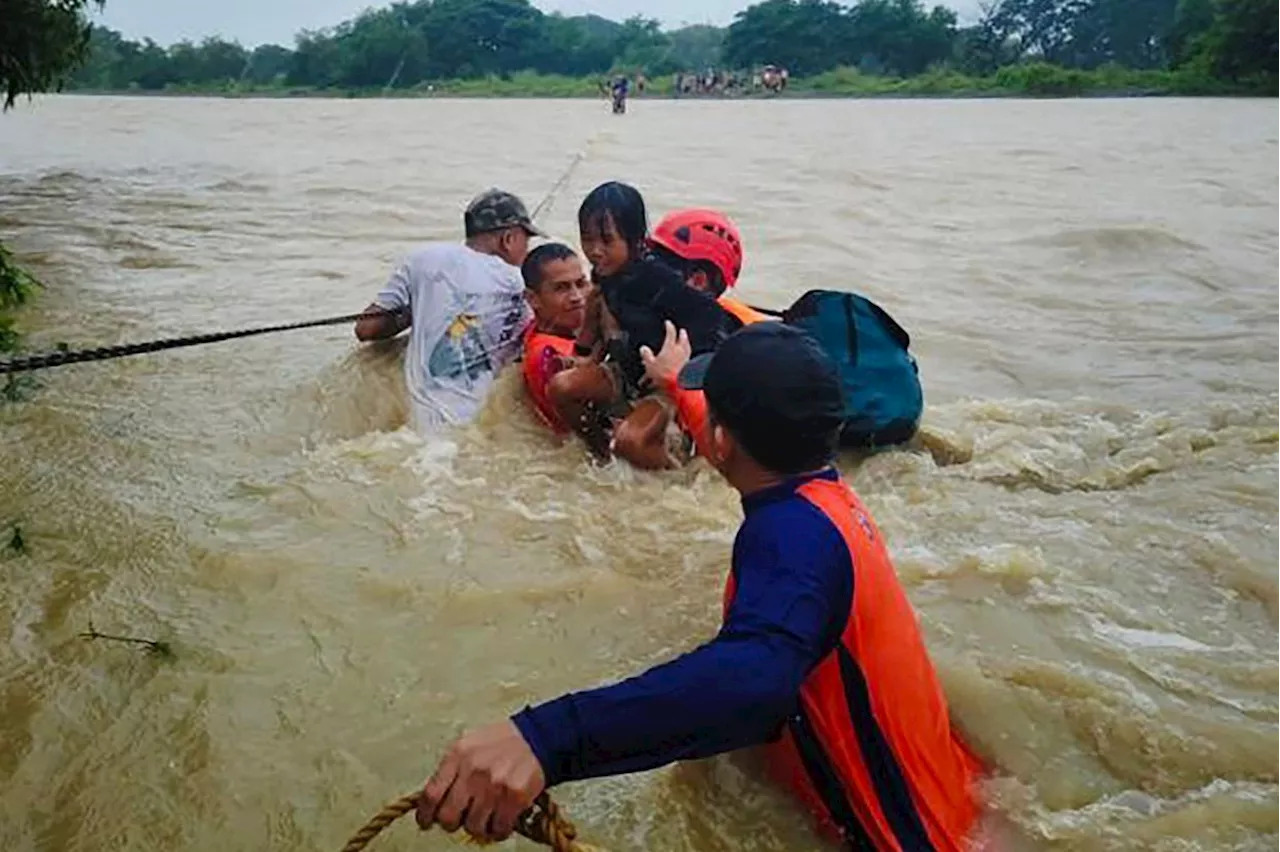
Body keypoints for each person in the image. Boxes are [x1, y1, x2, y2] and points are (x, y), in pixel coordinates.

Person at [412, 321, 985, 851]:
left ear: (723, 438)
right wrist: (672, 382)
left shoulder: (791, 536)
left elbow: (754, 682)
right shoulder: (825, 503)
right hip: (961, 806)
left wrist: (544, 737)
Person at [548, 182, 741, 469]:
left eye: (607, 240)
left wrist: (679, 372)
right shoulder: (605, 274)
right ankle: (601, 454)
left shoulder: (658, 281)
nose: (595, 251)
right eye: (587, 239)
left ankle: (674, 477)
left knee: (631, 441)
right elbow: (605, 324)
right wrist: (588, 356)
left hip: (664, 384)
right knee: (561, 387)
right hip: (626, 371)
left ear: (636, 239)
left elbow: (711, 320)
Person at [354, 188, 542, 430]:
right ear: (508, 240)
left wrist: (419, 311)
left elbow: (366, 328)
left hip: (418, 423)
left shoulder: (422, 260)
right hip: (475, 428)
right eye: (526, 239)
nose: (527, 249)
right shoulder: (522, 284)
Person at [519, 242, 592, 434]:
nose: (577, 297)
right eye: (562, 288)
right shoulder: (550, 355)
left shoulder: (540, 329)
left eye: (581, 283)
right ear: (533, 299)